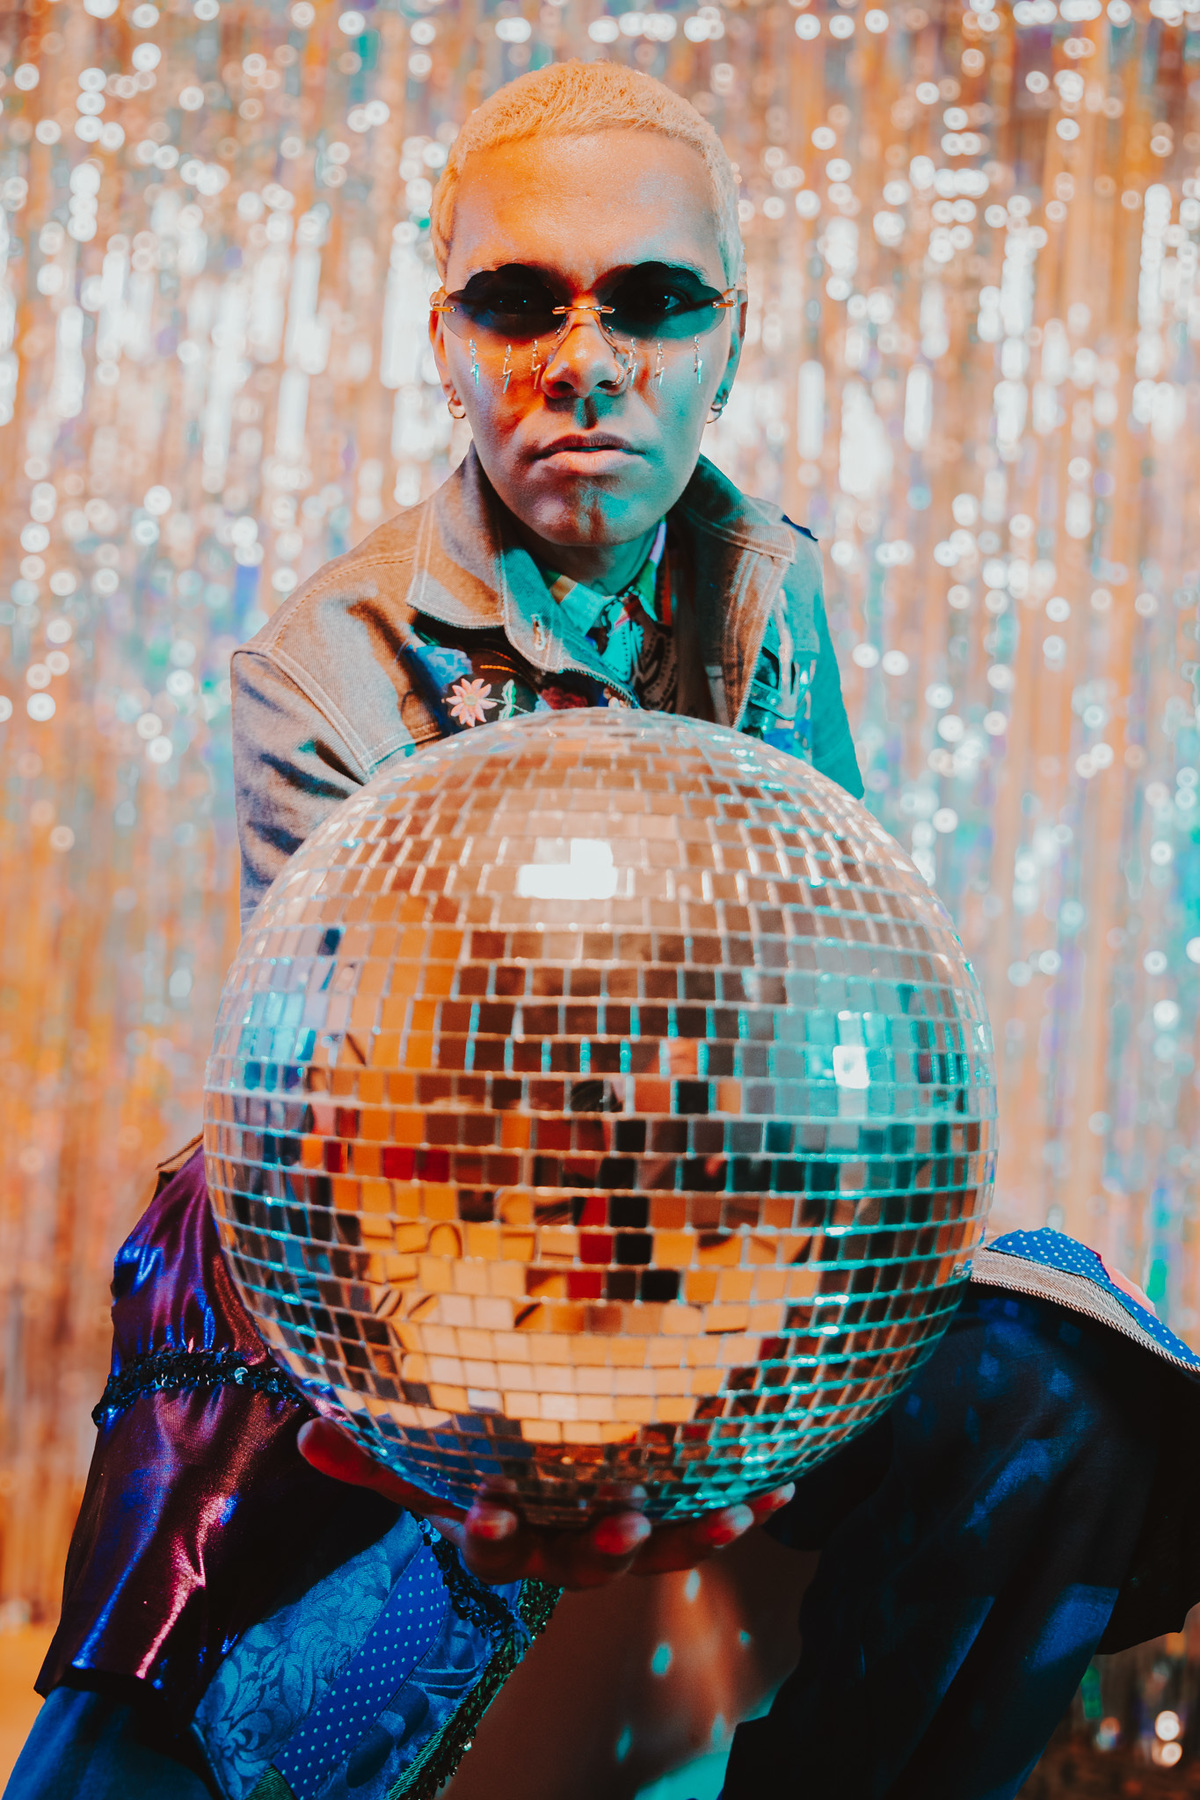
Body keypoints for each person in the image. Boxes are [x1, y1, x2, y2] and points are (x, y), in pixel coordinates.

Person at [9, 57, 1200, 1800]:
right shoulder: (321, 667)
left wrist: (758, 1305)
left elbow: (837, 1009)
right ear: (443, 337)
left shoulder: (772, 593)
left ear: (732, 339)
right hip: (403, 1276)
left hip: (721, 1230)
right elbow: (353, 1145)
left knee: (1064, 1389)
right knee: (196, 1723)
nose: (586, 360)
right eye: (519, 302)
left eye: (651, 300)